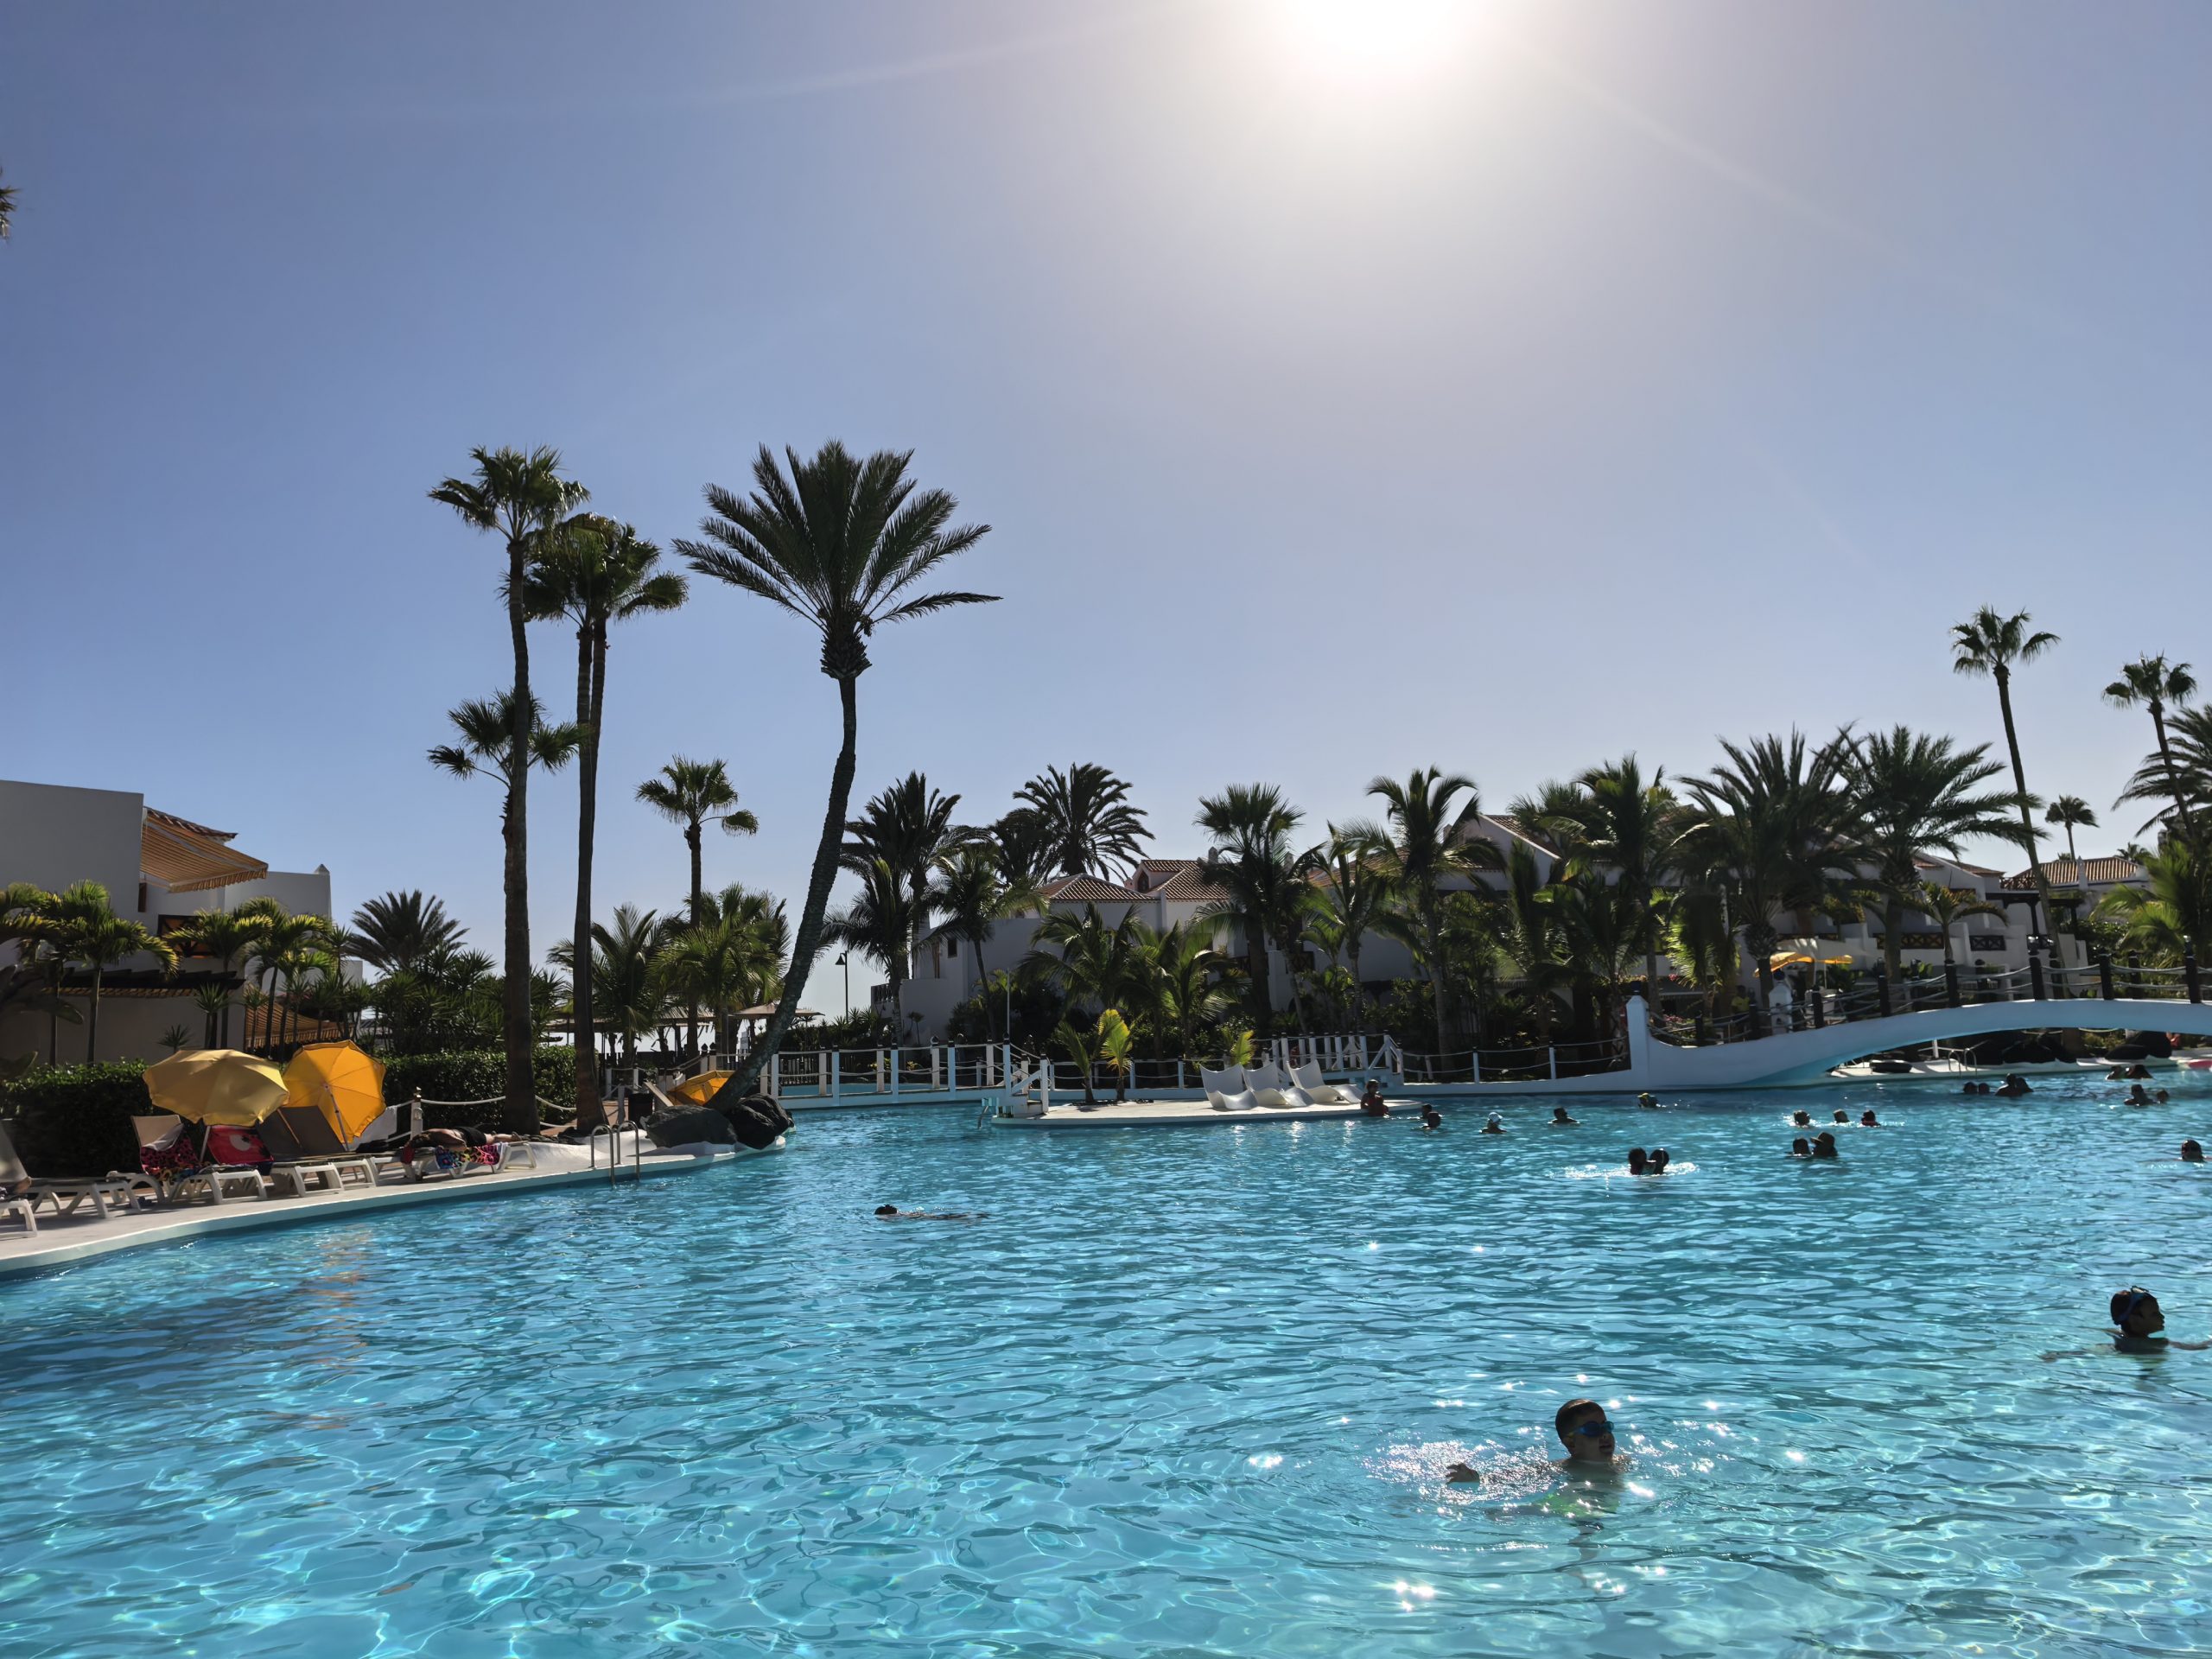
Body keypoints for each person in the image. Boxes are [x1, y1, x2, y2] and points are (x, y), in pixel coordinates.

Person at [1447, 1397, 1625, 1483]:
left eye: (1606, 1426)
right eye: (1593, 1429)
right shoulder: (1565, 1469)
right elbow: (1515, 1476)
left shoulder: (1623, 1463)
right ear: (1571, 1443)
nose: (1604, 1434)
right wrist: (1478, 1478)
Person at [2108, 1287, 2209, 1352]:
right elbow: (2193, 1348)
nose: (2162, 1317)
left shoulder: (2116, 1336)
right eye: (2154, 1314)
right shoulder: (2155, 1346)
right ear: (2134, 1320)